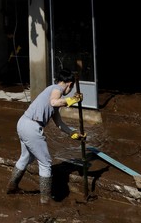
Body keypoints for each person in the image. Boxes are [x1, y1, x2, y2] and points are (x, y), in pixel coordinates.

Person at [6, 68, 85, 202]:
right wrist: (72, 100)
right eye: (70, 89)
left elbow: (59, 123)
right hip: (32, 126)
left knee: (25, 157)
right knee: (46, 163)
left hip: (23, 122)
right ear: (70, 84)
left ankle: (12, 187)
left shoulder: (50, 92)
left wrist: (73, 134)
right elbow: (54, 102)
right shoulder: (57, 89)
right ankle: (46, 200)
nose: (69, 91)